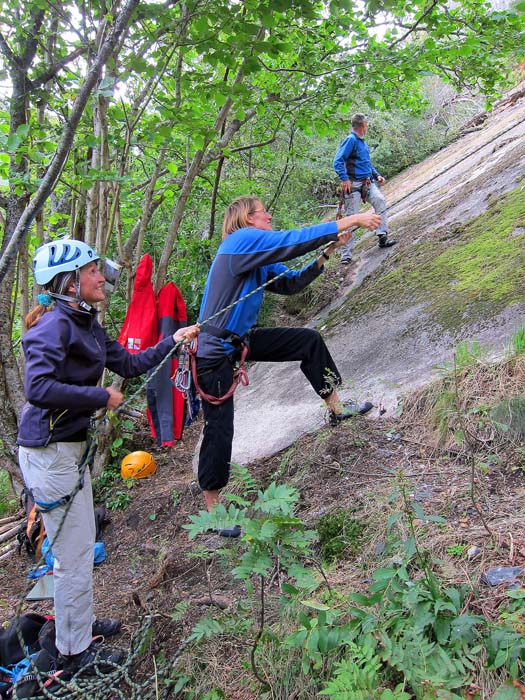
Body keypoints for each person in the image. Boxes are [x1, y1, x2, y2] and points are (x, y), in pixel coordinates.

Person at [17, 239, 199, 676]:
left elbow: (132, 365)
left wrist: (172, 340)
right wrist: (100, 395)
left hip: (68, 451)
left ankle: (75, 627)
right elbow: (36, 389)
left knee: (76, 549)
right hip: (49, 453)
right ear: (69, 282)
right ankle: (74, 652)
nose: (101, 277)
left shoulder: (87, 323)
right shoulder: (52, 327)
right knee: (74, 554)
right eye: (92, 270)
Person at [194, 196, 381, 535]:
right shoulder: (240, 242)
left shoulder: (255, 256)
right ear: (248, 219)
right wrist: (351, 219)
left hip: (238, 342)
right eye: (264, 211)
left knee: (307, 341)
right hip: (213, 353)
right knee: (219, 427)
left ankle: (337, 409)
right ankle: (213, 512)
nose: (269, 214)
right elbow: (290, 242)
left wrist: (329, 250)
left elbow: (292, 282)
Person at [333, 112, 397, 264]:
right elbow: (337, 161)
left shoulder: (362, 142)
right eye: (366, 124)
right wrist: (344, 178)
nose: (367, 127)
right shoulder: (351, 140)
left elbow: (366, 163)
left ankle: (382, 236)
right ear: (363, 125)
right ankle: (346, 254)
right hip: (354, 186)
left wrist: (376, 175)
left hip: (367, 183)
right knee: (351, 219)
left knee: (380, 201)